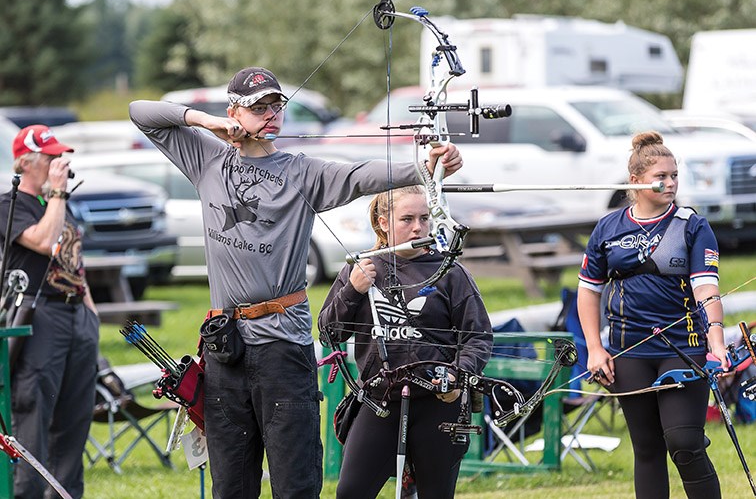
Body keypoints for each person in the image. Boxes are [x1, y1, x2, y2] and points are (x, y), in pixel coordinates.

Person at [129, 66, 463, 498]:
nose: (271, 115)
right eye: (258, 107)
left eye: (276, 106)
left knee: (295, 481)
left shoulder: (303, 172)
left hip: (282, 347)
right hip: (224, 347)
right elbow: (141, 112)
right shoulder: (206, 158)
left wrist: (427, 165)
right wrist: (207, 121)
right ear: (234, 112)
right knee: (230, 484)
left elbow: (364, 176)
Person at [577, 131, 727, 499]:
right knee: (646, 449)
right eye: (662, 176)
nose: (671, 183)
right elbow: (588, 291)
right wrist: (595, 349)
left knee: (685, 442)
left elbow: (706, 288)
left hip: (683, 347)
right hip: (630, 352)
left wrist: (718, 341)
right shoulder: (608, 229)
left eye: (675, 175)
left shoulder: (692, 226)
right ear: (635, 181)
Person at [318, 185, 492, 498]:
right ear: (383, 223)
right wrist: (352, 290)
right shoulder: (361, 269)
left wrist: (456, 376)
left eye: (424, 219)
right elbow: (329, 332)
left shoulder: (450, 272)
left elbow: (478, 337)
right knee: (350, 491)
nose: (418, 227)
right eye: (407, 219)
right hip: (380, 401)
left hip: (438, 401)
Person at [0, 125, 99, 498]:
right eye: (50, 158)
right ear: (25, 162)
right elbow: (43, 242)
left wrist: (91, 314)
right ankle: (27, 493)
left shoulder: (58, 203)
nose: (59, 164)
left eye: (61, 157)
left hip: (77, 317)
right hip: (39, 318)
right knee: (34, 415)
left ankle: (67, 493)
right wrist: (57, 192)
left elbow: (74, 262)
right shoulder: (9, 205)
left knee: (75, 418)